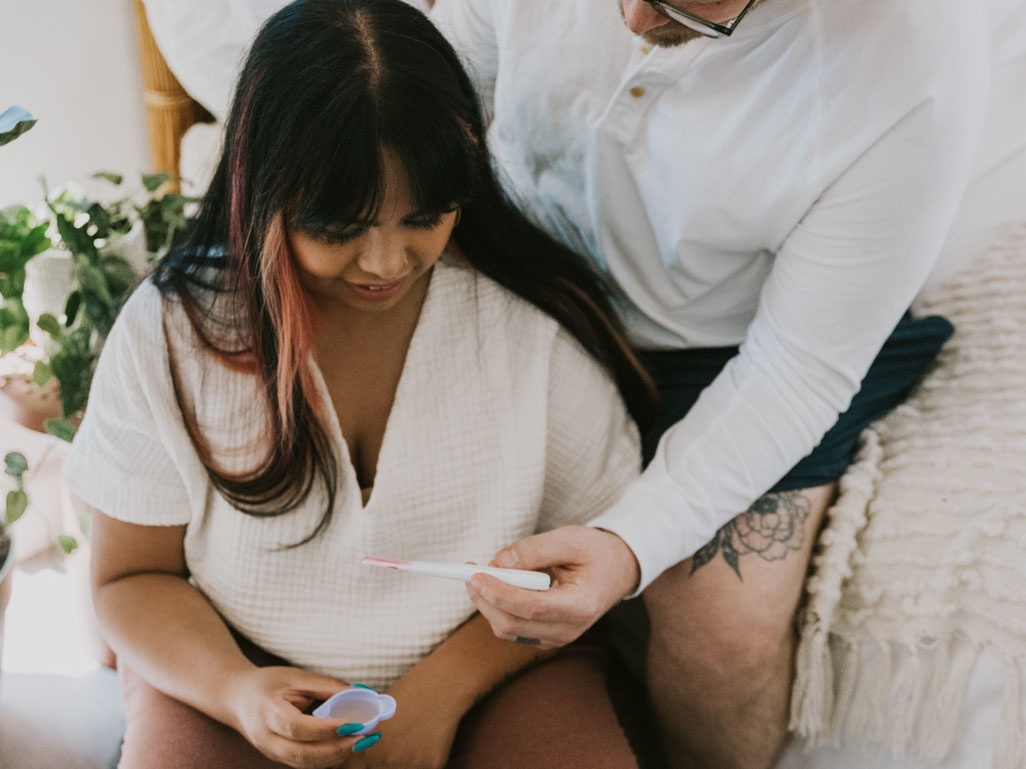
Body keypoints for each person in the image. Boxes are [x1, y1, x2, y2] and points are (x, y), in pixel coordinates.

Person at [63, 2, 657, 768]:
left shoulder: (529, 332)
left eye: (425, 216)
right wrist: (239, 691)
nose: (385, 264)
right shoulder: (173, 335)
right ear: (264, 191)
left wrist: (442, 693)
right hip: (229, 665)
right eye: (339, 227)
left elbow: (587, 571)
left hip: (488, 668)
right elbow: (129, 576)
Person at [429, 0, 1010, 767]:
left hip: (729, 336)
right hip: (513, 258)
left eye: (684, 7)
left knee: (725, 638)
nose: (635, 20)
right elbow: (428, 88)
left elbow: (797, 367)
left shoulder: (915, 55)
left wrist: (630, 545)